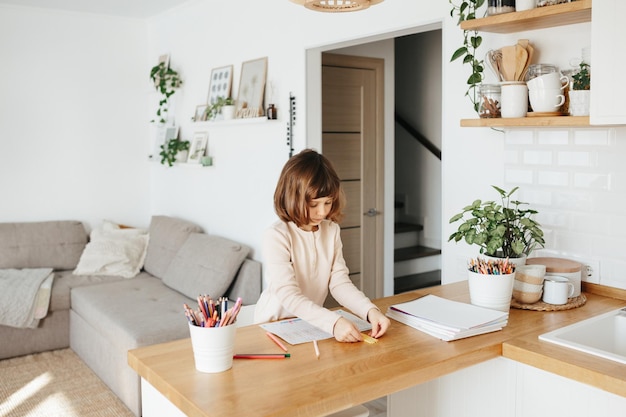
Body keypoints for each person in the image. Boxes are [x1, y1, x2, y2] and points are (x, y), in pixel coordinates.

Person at [254, 149, 390, 342]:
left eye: (328, 202)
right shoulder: (276, 235)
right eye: (314, 204)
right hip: (272, 328)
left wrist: (369, 311)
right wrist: (333, 323)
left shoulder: (331, 230)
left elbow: (339, 282)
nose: (322, 212)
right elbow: (289, 294)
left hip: (309, 324)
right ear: (292, 197)